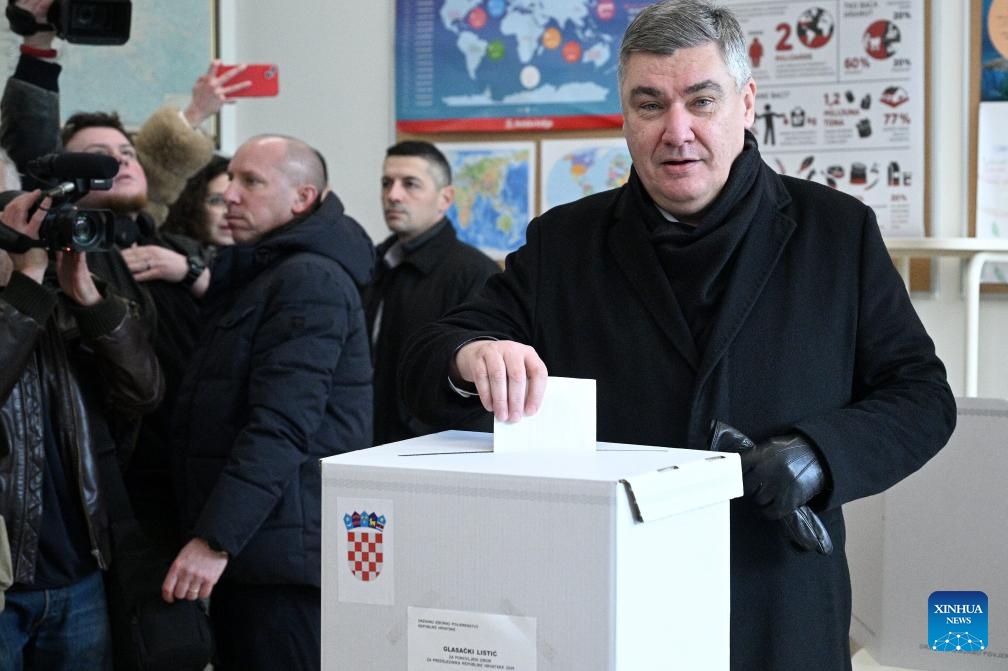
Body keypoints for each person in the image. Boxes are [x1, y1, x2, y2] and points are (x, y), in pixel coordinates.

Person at [397, 2, 956, 670]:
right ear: (624, 117)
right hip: (610, 600)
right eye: (650, 105)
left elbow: (922, 397)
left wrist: (821, 454)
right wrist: (471, 355)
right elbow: (427, 361)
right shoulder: (564, 242)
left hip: (775, 608)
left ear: (746, 104)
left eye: (702, 100)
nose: (677, 130)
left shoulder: (836, 231)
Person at [163, 135, 374, 670]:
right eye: (230, 179)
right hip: (260, 548)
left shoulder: (308, 279)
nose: (229, 195)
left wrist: (215, 539)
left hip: (279, 562)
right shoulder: (264, 271)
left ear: (302, 198)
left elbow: (281, 425)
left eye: (251, 182)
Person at [0, 190, 163, 669]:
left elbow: (145, 393)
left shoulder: (61, 308)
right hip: (5, 586)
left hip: (78, 577)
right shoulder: (26, 303)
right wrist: (26, 282)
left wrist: (88, 297)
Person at [364, 140, 499, 445]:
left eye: (410, 184)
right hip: (367, 444)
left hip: (431, 451)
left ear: (445, 198)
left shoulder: (475, 273)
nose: (393, 195)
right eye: (387, 183)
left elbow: (480, 392)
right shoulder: (374, 264)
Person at [161, 154, 235, 252]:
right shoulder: (163, 252)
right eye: (217, 201)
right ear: (192, 205)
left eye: (236, 201)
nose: (230, 212)